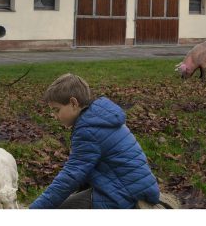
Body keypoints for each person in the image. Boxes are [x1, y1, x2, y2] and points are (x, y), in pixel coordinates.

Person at [29, 73, 159, 209]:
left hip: (123, 194)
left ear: (73, 103)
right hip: (134, 186)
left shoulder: (88, 130)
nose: (54, 115)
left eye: (57, 110)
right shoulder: (98, 118)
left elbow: (70, 176)